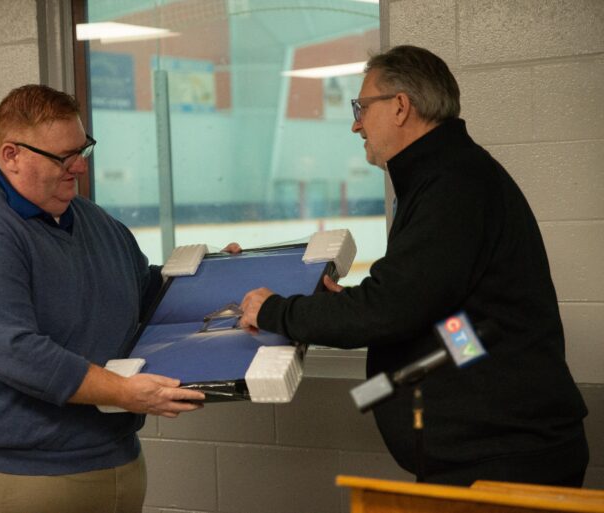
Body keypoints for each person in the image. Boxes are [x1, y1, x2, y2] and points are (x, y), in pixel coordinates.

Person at [240, 45, 589, 487]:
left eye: (362, 108)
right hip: (490, 450)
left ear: (401, 106)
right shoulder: (443, 177)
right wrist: (353, 303)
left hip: (503, 459)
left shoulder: (452, 185)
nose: (356, 124)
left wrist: (274, 310)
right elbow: (436, 307)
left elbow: (389, 309)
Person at [0, 84, 206, 513]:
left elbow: (143, 291)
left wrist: (218, 281)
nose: (79, 167)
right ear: (10, 156)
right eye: (62, 157)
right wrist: (123, 392)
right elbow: (19, 353)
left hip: (103, 455)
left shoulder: (93, 222)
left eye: (83, 150)